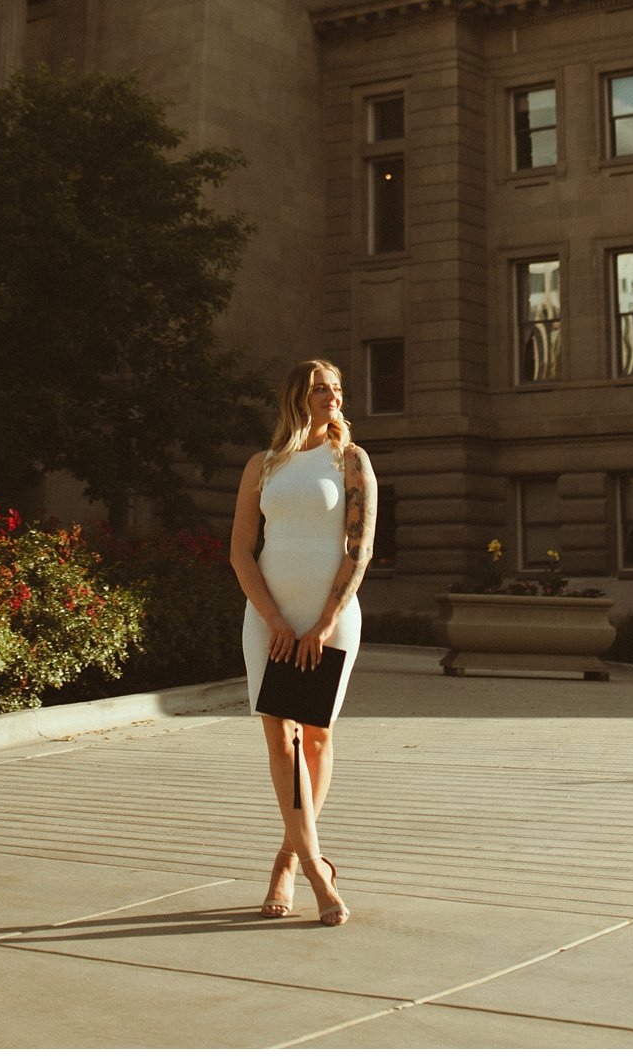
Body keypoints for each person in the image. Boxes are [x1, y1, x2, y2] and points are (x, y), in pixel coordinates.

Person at [230, 359, 377, 926]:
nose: (332, 397)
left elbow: (359, 549)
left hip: (330, 617)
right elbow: (242, 551)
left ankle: (287, 859)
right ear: (297, 396)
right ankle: (316, 869)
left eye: (338, 389)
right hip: (269, 617)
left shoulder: (351, 461)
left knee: (314, 737)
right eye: (321, 389)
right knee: (280, 738)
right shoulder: (263, 466)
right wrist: (276, 620)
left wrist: (320, 622)